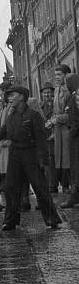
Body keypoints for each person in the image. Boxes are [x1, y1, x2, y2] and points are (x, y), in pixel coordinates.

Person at [0, 84, 61, 231]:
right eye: (8, 96)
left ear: (22, 97)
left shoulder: (33, 115)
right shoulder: (10, 117)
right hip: (15, 154)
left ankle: (52, 218)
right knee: (10, 188)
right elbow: (1, 134)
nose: (9, 98)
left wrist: (43, 160)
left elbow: (41, 139)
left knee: (40, 187)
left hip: (30, 154)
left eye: (12, 95)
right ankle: (10, 221)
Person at [48, 64, 72, 194]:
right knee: (60, 159)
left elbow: (71, 114)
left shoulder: (70, 91)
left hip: (68, 130)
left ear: (66, 75)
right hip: (58, 130)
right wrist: (51, 121)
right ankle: (65, 185)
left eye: (60, 75)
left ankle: (71, 186)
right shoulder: (57, 90)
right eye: (55, 75)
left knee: (68, 159)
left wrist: (57, 119)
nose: (57, 77)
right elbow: (55, 111)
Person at [63, 73, 79, 208]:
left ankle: (74, 196)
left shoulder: (76, 97)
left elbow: (76, 121)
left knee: (75, 167)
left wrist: (71, 134)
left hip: (76, 138)